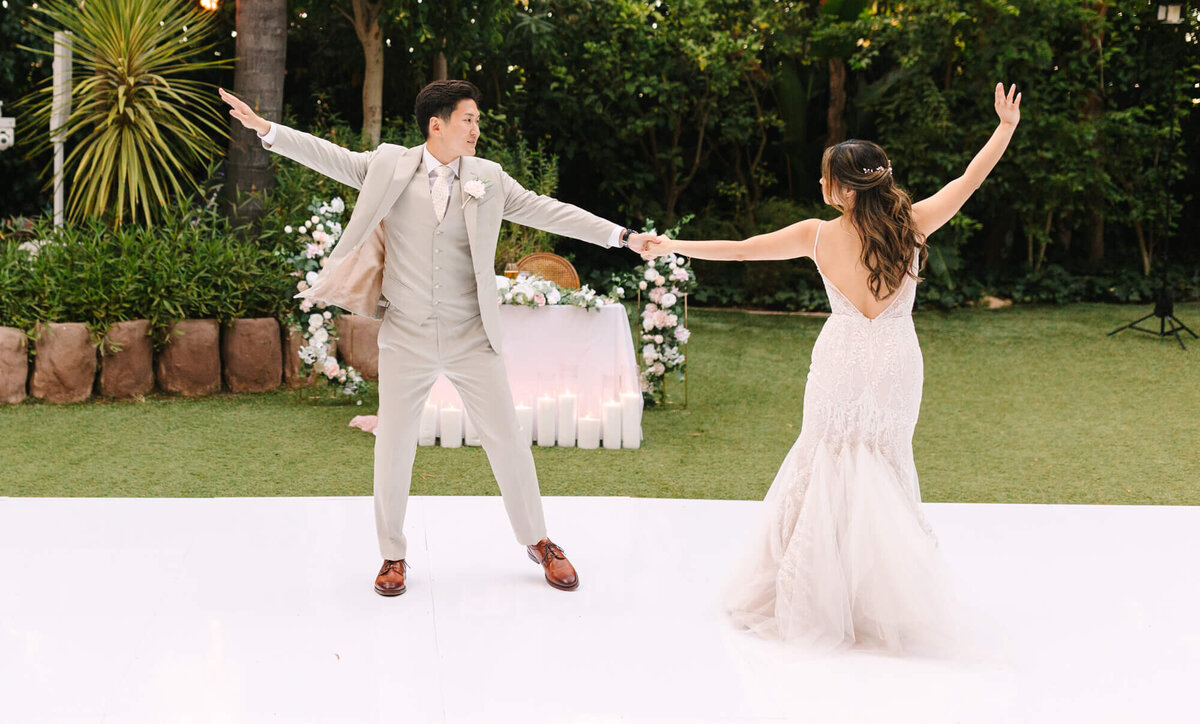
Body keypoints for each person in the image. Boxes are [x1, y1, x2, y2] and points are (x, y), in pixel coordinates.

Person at [220, 80, 655, 596]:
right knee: (394, 444)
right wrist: (266, 129)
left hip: (473, 334)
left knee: (508, 440)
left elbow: (549, 209)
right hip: (406, 334)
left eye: (477, 120)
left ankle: (539, 542)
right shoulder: (389, 165)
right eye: (468, 119)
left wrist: (623, 236)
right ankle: (392, 555)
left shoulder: (488, 177)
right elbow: (330, 157)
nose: (476, 129)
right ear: (437, 124)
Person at [644, 83, 1023, 651]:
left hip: (842, 358)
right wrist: (1005, 127)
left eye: (826, 178)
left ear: (842, 188)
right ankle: (878, 600)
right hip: (895, 360)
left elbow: (743, 248)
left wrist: (673, 245)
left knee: (823, 459)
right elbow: (969, 180)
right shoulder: (913, 225)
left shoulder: (815, 235)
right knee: (883, 462)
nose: (821, 186)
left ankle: (816, 594)